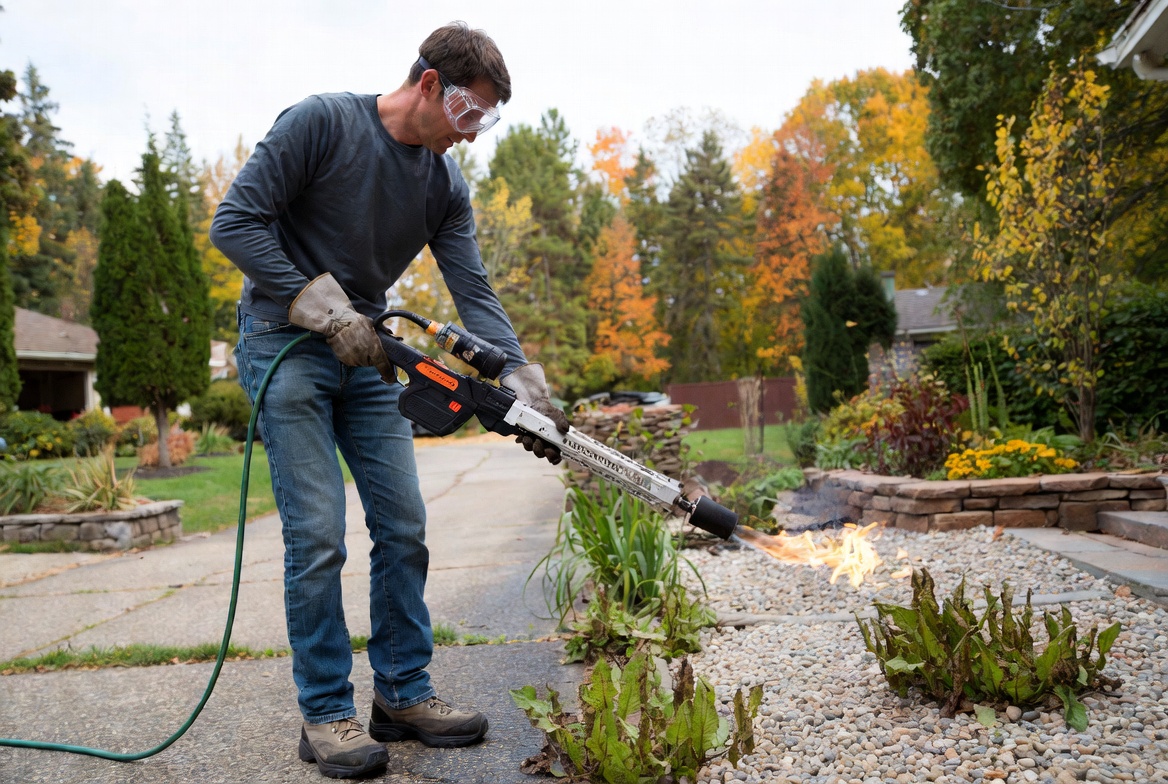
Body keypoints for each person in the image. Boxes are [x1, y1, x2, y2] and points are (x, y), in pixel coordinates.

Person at [210, 22, 569, 779]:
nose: (472, 137)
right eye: (471, 115)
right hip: (285, 345)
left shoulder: (444, 184)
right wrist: (323, 308)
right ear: (431, 84)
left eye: (487, 123)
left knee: (403, 525)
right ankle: (327, 713)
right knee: (317, 537)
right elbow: (234, 223)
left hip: (369, 357)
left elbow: (473, 288)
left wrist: (520, 376)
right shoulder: (322, 122)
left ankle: (403, 693)